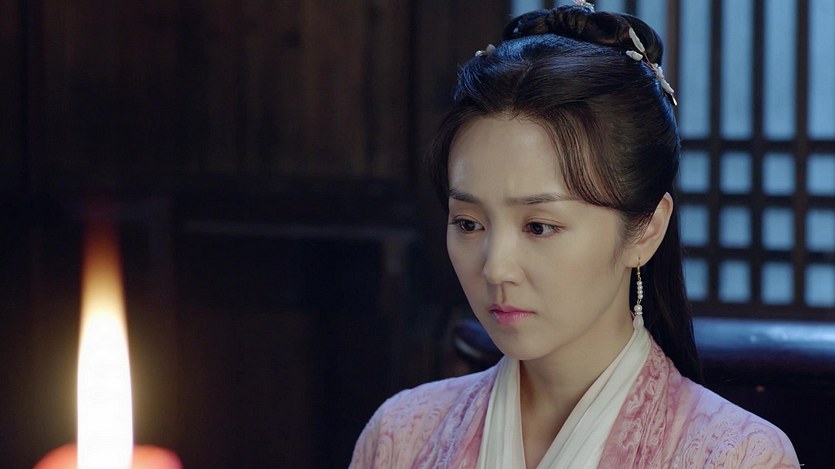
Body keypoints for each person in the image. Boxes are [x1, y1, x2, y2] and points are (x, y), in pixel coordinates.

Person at [350, 2, 800, 468]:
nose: (496, 267)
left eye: (539, 226)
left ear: (646, 231)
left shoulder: (736, 455)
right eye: (468, 223)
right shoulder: (401, 436)